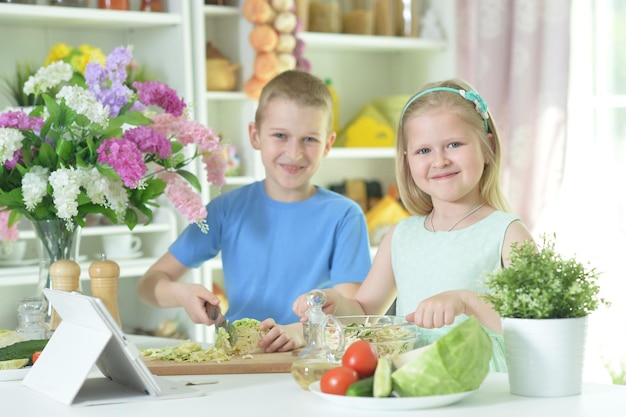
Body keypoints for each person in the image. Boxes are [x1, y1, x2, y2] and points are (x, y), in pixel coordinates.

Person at [293, 78, 535, 371]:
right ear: (407, 160)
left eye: (454, 144)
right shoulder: (401, 235)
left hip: (482, 386)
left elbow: (537, 326)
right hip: (412, 378)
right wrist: (337, 304)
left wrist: (467, 301)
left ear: (487, 147)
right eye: (424, 151)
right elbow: (365, 312)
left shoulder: (508, 234)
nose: (440, 160)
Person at [137, 70, 372, 353]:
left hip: (312, 362)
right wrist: (181, 293)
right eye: (280, 135)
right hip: (239, 359)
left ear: (328, 144)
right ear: (255, 135)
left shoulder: (345, 216)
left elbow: (351, 312)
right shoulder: (225, 210)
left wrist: (301, 331)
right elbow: (149, 285)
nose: (294, 153)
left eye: (309, 139)